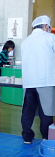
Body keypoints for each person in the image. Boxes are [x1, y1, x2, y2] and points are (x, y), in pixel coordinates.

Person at [21, 15, 55, 144]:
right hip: (46, 81)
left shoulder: (25, 41)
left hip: (29, 82)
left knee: (28, 110)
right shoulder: (51, 38)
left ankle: (27, 137)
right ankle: (47, 138)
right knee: (46, 112)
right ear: (46, 26)